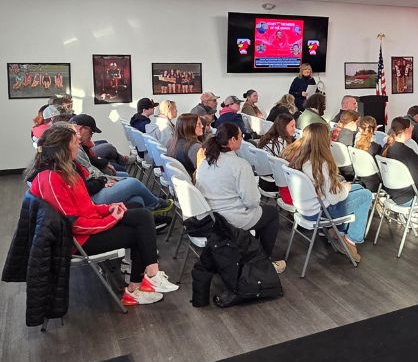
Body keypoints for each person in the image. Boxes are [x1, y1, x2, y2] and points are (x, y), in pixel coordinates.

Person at [27, 125, 179, 305]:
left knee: (141, 213)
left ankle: (149, 276)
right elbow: (73, 224)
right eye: (75, 142)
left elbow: (86, 206)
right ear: (63, 148)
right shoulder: (50, 178)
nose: (79, 145)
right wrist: (111, 219)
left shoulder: (66, 171)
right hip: (77, 242)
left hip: (86, 228)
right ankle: (139, 285)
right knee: (139, 231)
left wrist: (109, 209)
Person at [195, 123, 285, 273]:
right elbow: (252, 202)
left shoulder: (206, 161)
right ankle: (263, 262)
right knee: (271, 213)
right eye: (240, 136)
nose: (242, 139)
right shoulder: (240, 165)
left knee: (261, 211)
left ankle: (252, 254)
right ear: (232, 140)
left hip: (209, 217)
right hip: (231, 219)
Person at [287, 123, 372, 263]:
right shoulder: (320, 164)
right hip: (321, 212)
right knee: (366, 195)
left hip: (306, 208)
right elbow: (334, 198)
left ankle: (339, 232)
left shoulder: (300, 159)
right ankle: (351, 239)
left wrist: (343, 187)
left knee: (357, 187)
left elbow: (326, 190)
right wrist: (345, 188)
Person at [353, 116, 382, 193]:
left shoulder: (356, 144)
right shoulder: (377, 147)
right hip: (374, 182)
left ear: (360, 129)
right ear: (375, 129)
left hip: (360, 177)